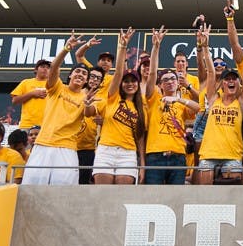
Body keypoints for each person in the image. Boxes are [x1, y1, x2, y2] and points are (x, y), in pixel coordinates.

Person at [21, 33, 95, 186]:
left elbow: (89, 113)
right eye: (77, 72)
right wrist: (66, 49)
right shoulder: (57, 88)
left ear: (87, 80)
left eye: (84, 74)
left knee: (63, 190)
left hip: (67, 148)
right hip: (43, 144)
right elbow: (54, 68)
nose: (80, 75)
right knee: (32, 187)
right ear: (70, 75)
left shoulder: (85, 97)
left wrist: (87, 104)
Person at [195, 24, 243, 185]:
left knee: (230, 197)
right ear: (223, 83)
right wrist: (205, 46)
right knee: (205, 196)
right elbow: (211, 72)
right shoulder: (213, 98)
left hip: (232, 155)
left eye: (234, 78)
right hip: (208, 153)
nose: (231, 81)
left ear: (238, 84)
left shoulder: (241, 103)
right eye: (228, 79)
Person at [89, 27, 147, 185]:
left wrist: (142, 165)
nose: (129, 84)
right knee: (102, 195)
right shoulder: (113, 98)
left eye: (133, 81)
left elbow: (141, 138)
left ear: (138, 83)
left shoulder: (142, 109)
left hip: (128, 154)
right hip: (105, 150)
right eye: (126, 81)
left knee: (122, 197)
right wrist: (122, 47)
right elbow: (118, 73)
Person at [144, 47, 200, 185]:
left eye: (173, 79)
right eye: (165, 80)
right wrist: (156, 47)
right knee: (153, 197)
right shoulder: (153, 99)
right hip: (155, 155)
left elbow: (200, 108)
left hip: (178, 155)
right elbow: (152, 74)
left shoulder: (181, 104)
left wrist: (179, 99)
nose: (170, 82)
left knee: (176, 198)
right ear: (160, 85)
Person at [76, 66, 105, 184]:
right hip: (69, 146)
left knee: (83, 185)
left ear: (101, 82)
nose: (94, 80)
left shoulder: (102, 99)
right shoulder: (75, 93)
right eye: (92, 76)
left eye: (98, 78)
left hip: (88, 149)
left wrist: (103, 121)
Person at [10, 59, 51, 131]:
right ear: (35, 70)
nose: (45, 69)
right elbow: (14, 100)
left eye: (48, 68)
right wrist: (32, 94)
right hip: (27, 125)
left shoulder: (54, 85)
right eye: (42, 66)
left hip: (47, 125)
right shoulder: (26, 82)